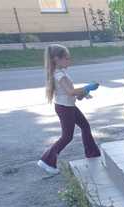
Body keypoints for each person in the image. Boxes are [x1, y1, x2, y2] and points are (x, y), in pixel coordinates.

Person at [38, 44, 100, 175]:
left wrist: (83, 93)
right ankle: (47, 160)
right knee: (67, 137)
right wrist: (87, 88)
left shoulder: (61, 72)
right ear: (56, 59)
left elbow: (71, 93)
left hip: (69, 106)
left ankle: (93, 154)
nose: (69, 61)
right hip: (65, 108)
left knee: (85, 126)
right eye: (66, 58)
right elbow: (70, 92)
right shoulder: (58, 75)